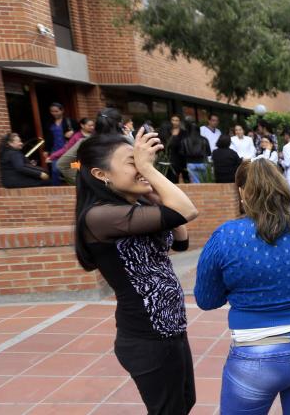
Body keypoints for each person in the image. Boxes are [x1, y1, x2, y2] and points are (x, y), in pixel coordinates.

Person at [194, 159, 290, 414]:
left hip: (255, 352)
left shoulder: (227, 236)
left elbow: (207, 299)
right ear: (283, 187)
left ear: (243, 192)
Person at [74, 130, 199, 414]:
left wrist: (156, 197)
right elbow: (187, 210)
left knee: (183, 402)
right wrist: (150, 171)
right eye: (132, 162)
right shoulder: (100, 216)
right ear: (100, 174)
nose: (142, 165)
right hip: (147, 336)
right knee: (169, 410)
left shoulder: (134, 208)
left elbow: (181, 242)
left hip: (170, 328)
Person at [46, 103, 78, 185]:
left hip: (69, 149)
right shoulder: (49, 123)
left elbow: (80, 132)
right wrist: (46, 149)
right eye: (52, 111)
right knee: (55, 169)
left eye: (56, 111)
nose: (54, 113)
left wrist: (73, 132)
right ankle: (56, 189)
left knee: (75, 166)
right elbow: (48, 137)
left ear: (62, 111)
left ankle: (76, 184)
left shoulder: (70, 121)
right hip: (55, 150)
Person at [159, 115, 188, 183]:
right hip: (168, 159)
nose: (174, 122)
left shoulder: (184, 132)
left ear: (180, 122)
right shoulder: (166, 131)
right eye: (173, 120)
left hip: (180, 159)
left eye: (176, 120)